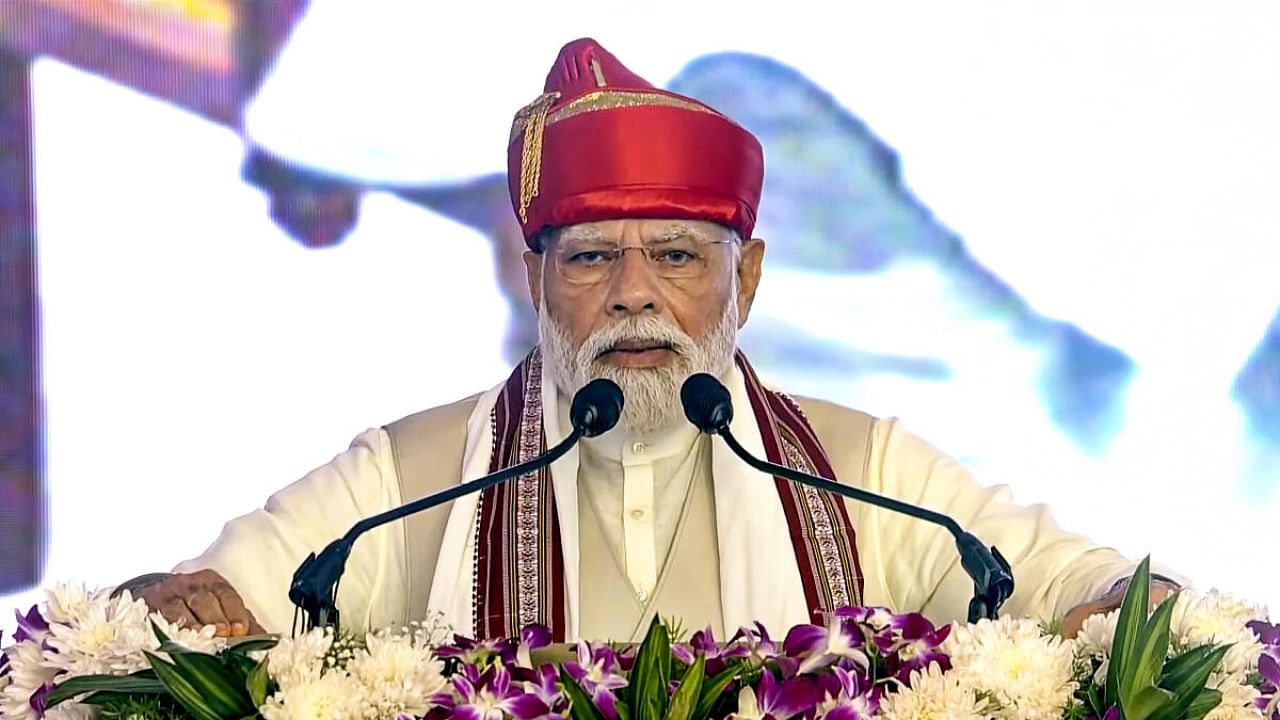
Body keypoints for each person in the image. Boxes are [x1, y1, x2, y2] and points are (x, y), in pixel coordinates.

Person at [124, 38, 1177, 641]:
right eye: (589, 260)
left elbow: (1055, 582)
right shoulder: (406, 481)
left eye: (675, 257)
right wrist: (171, 618)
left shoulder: (864, 475)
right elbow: (214, 603)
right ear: (534, 281)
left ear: (745, 281)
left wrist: (1118, 615)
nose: (633, 295)